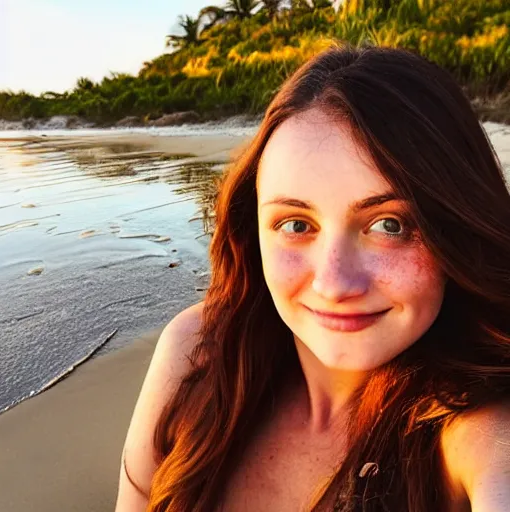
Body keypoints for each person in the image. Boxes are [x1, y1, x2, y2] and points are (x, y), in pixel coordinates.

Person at [115, 44, 510, 511]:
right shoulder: (196, 355)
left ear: (457, 230)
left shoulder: (477, 430)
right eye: (296, 225)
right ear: (253, 229)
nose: (333, 284)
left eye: (391, 225)